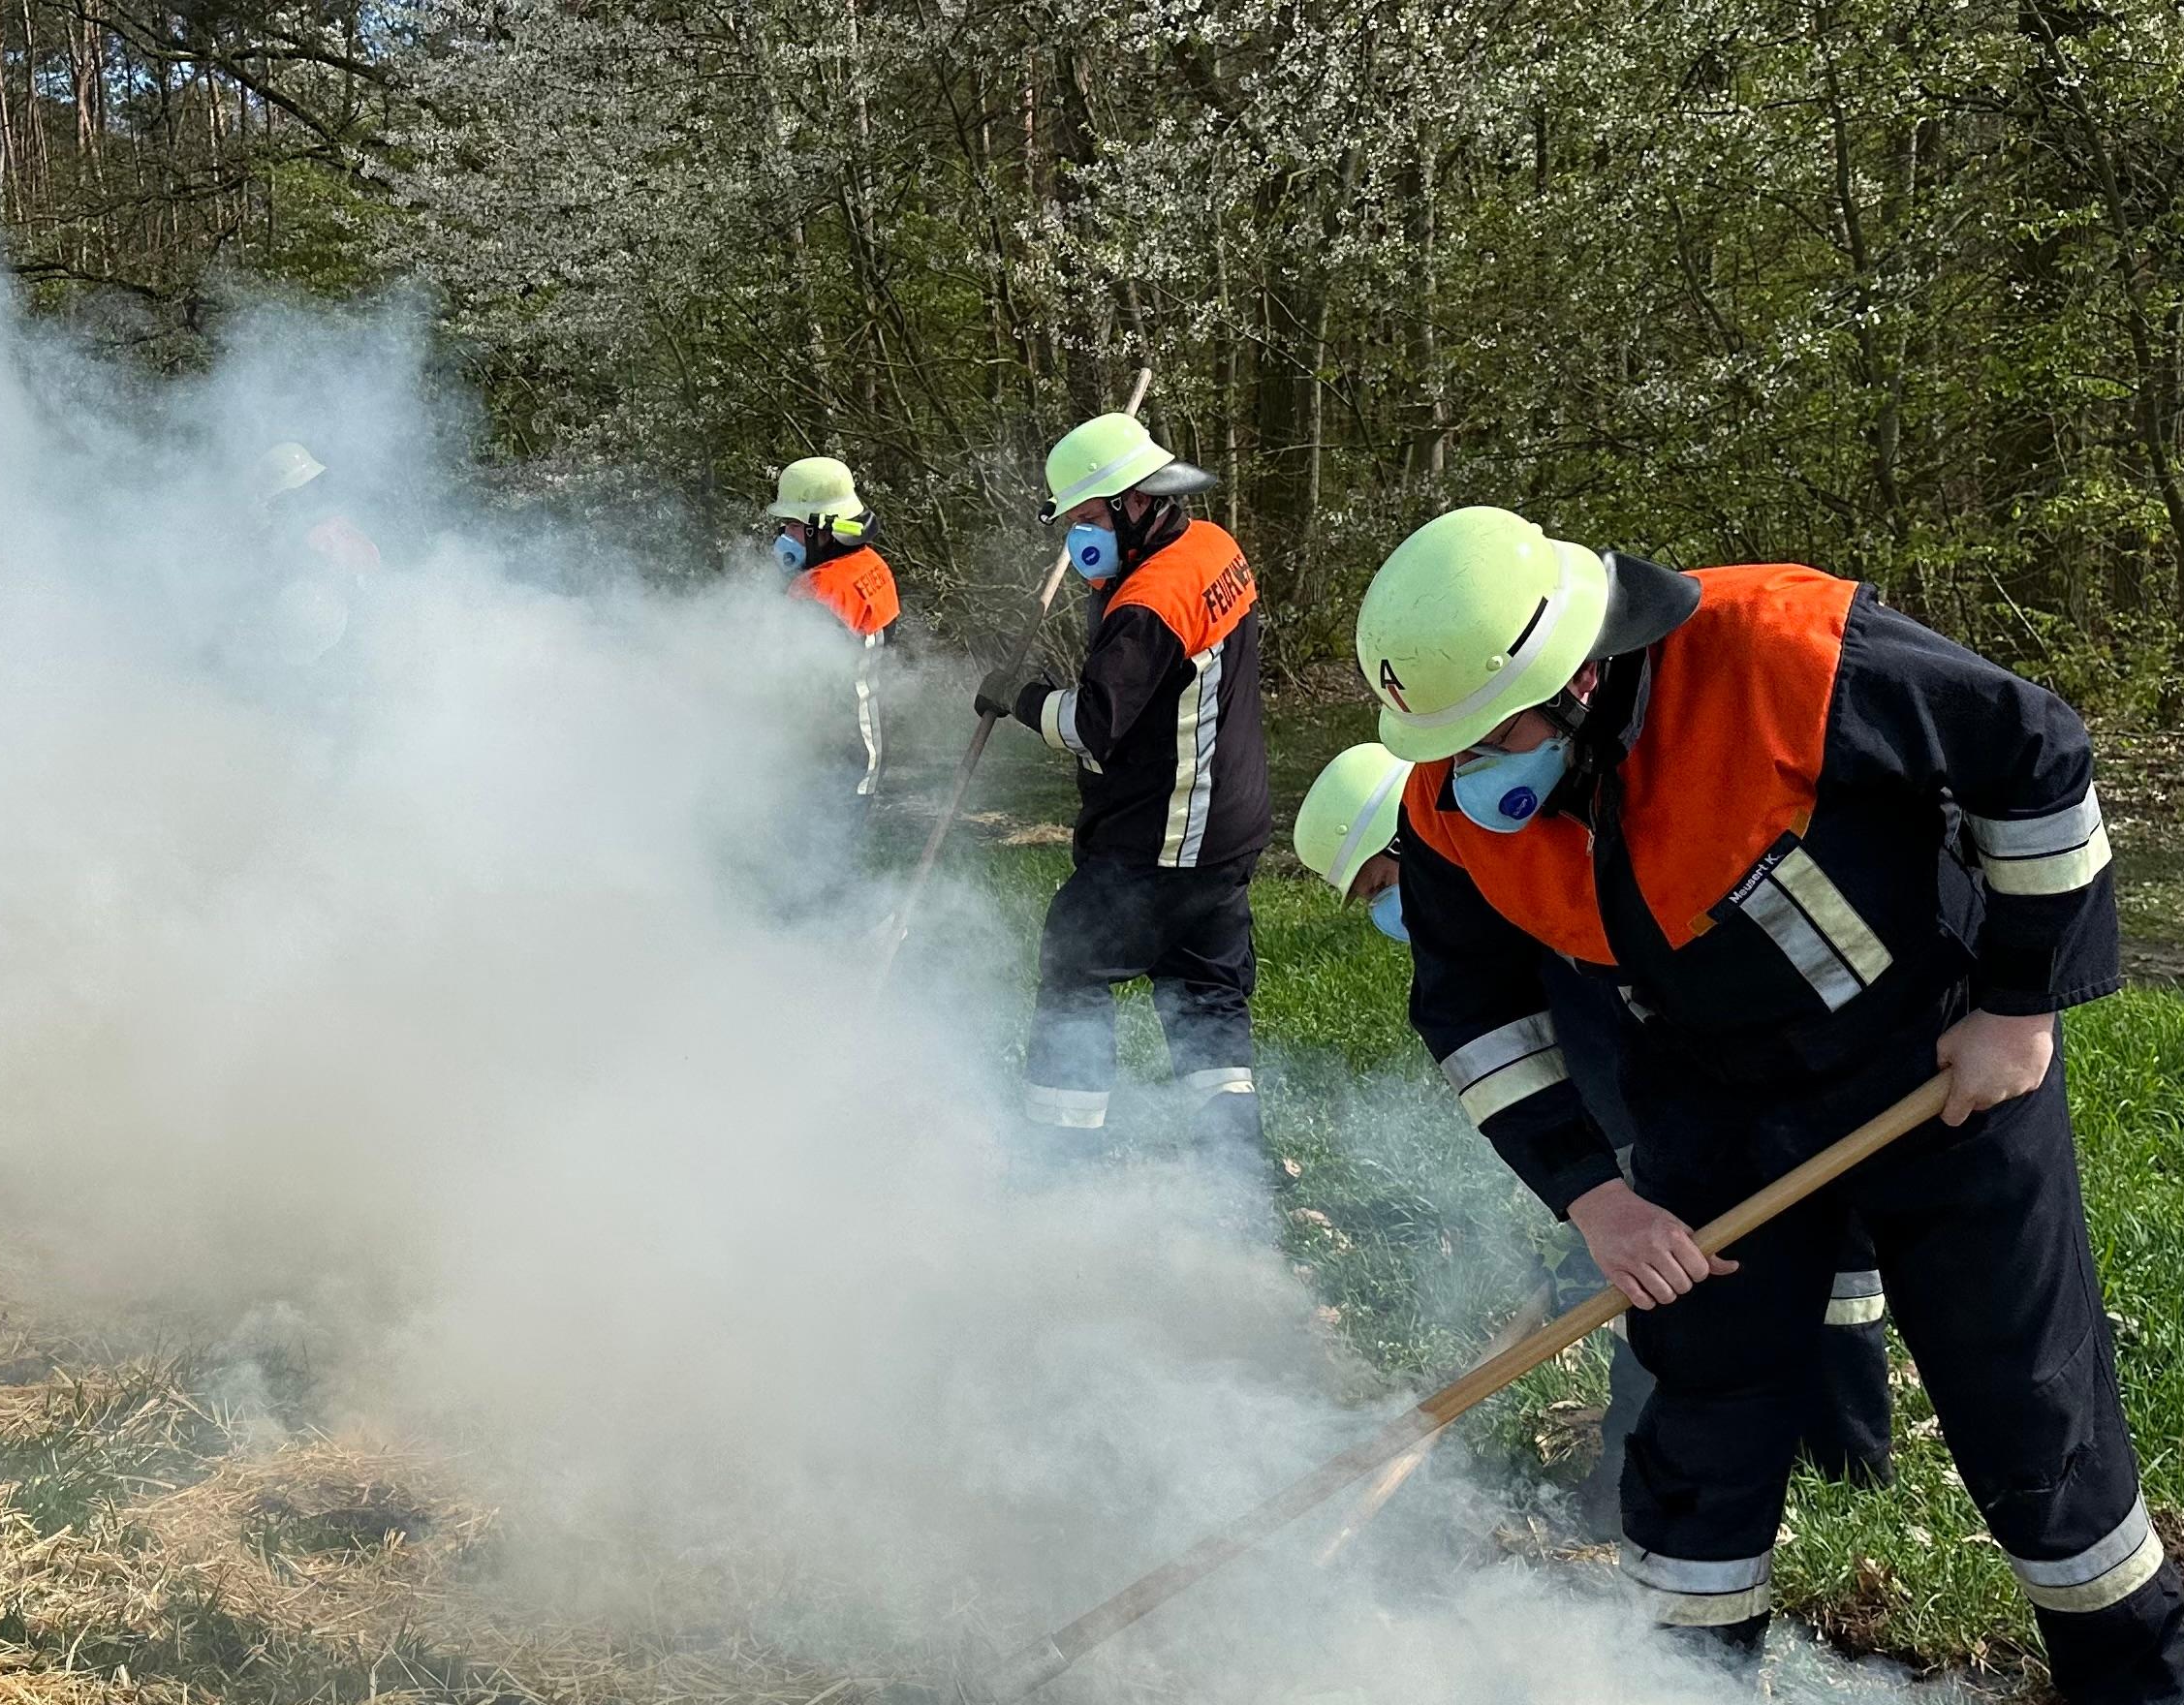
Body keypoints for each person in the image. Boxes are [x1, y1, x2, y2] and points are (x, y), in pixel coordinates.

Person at [1347, 507, 2184, 1705]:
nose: (1465, 772)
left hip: (1942, 1067)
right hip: (1710, 1106)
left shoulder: (1784, 654)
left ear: (1579, 675)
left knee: (2028, 1405)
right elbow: (1470, 1016)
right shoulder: (1450, 812)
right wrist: (1599, 1198)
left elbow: (2034, 751)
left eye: (1490, 736)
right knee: (1702, 1420)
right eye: (1444, 748)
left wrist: (2021, 1002)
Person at [1294, 747, 1894, 1534]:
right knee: (1749, 1275)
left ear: (1414, 838)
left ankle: (1671, 1482)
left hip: (1738, 1107)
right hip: (1696, 1119)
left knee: (1753, 1285)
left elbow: (1616, 1059)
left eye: (1380, 885)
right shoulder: (1513, 912)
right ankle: (1834, 1466)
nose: (1388, 912)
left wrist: (1618, 1192)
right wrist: (1591, 1194)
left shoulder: (1551, 903)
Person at [972, 414, 1269, 1186]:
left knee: (1074, 961)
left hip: (1164, 835)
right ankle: (1235, 1163)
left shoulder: (1148, 603)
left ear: (1138, 503)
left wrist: (1021, 698)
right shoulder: (1214, 549)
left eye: (1085, 519)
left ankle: (1058, 1159)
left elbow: (1097, 725)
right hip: (1227, 825)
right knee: (1204, 989)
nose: (1076, 539)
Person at [767, 457, 901, 799]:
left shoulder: (816, 591)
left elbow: (781, 680)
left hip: (828, 763)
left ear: (821, 531)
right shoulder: (872, 565)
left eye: (793, 526)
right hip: (865, 747)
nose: (785, 536)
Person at [246, 441, 382, 666]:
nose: (272, 508)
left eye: (275, 502)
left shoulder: (316, 538)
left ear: (289, 493)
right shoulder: (336, 523)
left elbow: (300, 605)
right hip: (347, 631)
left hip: (329, 642)